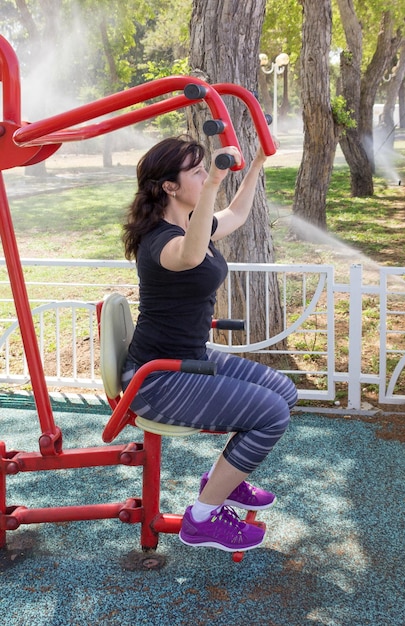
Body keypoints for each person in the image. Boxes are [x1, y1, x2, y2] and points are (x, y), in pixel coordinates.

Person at [121, 135, 298, 553]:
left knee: (284, 392)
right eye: (197, 172)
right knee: (271, 414)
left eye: (205, 170)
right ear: (169, 186)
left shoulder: (189, 223)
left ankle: (220, 482)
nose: (204, 176)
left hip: (189, 359)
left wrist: (256, 164)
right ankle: (201, 518)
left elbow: (235, 214)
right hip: (156, 379)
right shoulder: (162, 241)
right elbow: (192, 254)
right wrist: (216, 180)